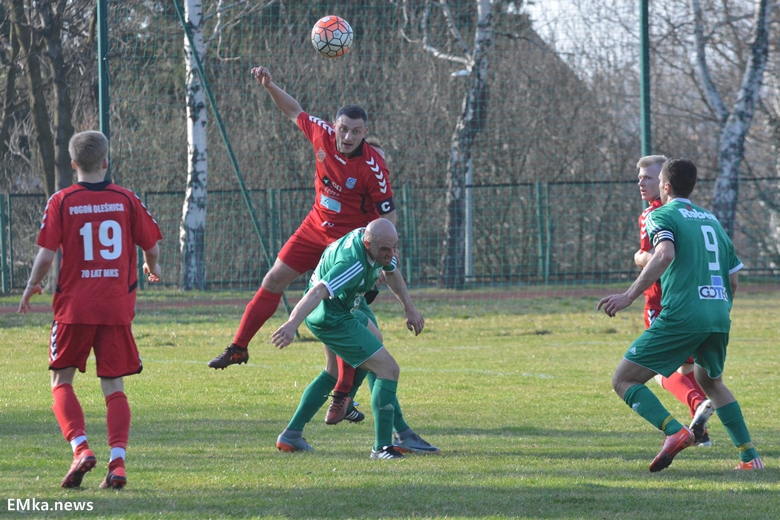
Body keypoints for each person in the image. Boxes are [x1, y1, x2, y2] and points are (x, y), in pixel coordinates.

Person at [208, 66, 395, 424]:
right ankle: (238, 347)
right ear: (335, 126)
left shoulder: (373, 168)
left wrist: (385, 258)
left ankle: (343, 395)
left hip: (344, 248)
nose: (348, 136)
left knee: (347, 322)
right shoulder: (321, 133)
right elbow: (294, 110)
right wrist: (270, 86)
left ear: (365, 133)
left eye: (356, 131)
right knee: (273, 280)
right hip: (314, 228)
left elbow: (388, 219)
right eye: (343, 128)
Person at [18, 131, 163, 489]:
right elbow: (152, 245)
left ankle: (81, 448)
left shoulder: (62, 201)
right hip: (115, 308)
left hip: (74, 308)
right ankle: (118, 464)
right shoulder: (126, 199)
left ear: (73, 164)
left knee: (61, 380)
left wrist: (32, 284)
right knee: (114, 385)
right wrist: (152, 267)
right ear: (105, 161)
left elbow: (46, 255)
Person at [598, 158, 763, 472]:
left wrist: (628, 296)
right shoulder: (712, 220)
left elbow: (664, 254)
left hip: (684, 314)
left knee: (624, 379)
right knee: (710, 381)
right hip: (718, 314)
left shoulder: (660, 214)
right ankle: (749, 457)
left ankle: (675, 432)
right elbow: (733, 280)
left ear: (665, 186)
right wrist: (718, 309)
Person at [272, 219, 439, 458]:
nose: (392, 254)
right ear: (368, 244)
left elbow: (391, 271)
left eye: (395, 247)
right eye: (386, 249)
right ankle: (382, 447)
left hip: (345, 307)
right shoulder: (352, 263)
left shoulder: (375, 243)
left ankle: (292, 434)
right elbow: (318, 291)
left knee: (342, 365)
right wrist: (291, 324)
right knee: (387, 368)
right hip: (332, 316)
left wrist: (409, 308)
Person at [633, 155, 714, 446]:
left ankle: (697, 402)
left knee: (657, 371)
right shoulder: (694, 214)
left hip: (661, 301)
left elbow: (659, 256)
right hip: (697, 301)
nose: (641, 182)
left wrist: (638, 257)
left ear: (665, 182)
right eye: (639, 177)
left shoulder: (652, 214)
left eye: (648, 177)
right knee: (686, 369)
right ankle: (701, 433)